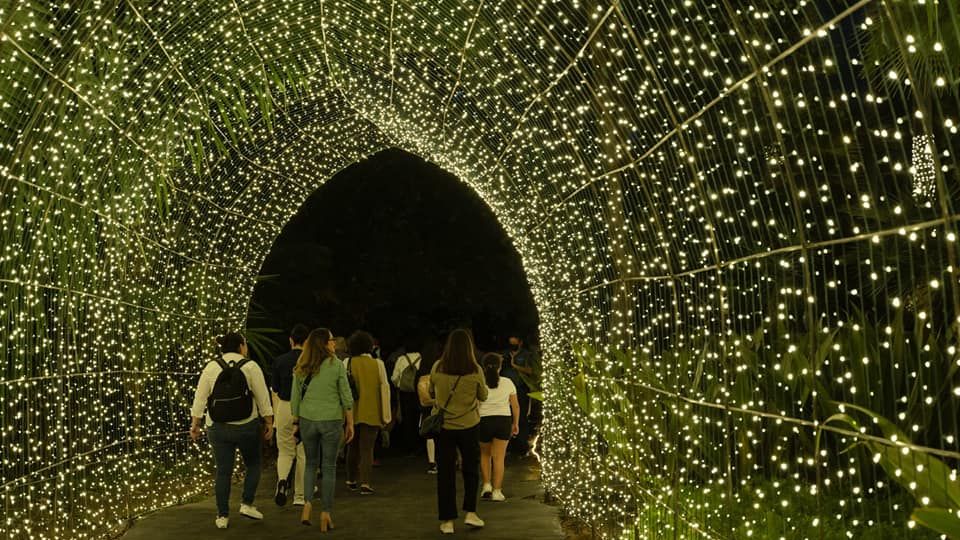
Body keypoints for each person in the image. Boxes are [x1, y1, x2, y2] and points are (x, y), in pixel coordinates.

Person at [190, 332, 274, 530]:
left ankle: (222, 516)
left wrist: (196, 424)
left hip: (217, 427)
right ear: (241, 346)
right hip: (247, 426)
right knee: (253, 463)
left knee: (223, 471)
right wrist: (269, 421)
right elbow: (263, 397)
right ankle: (247, 504)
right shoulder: (251, 366)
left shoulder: (211, 367)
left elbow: (200, 398)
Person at [291, 328, 355, 532]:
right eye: (331, 340)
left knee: (311, 464)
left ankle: (307, 504)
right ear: (324, 344)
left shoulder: (302, 365)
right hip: (331, 420)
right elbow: (346, 395)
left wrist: (296, 422)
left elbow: (295, 398)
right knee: (329, 468)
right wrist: (350, 422)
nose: (334, 343)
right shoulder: (335, 364)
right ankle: (326, 513)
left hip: (307, 420)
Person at [429, 328, 488, 534]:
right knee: (471, 470)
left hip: (444, 427)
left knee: (445, 473)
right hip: (469, 425)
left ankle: (447, 521)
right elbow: (483, 395)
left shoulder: (438, 366)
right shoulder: (475, 370)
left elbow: (430, 392)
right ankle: (471, 513)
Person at [344, 330, 391, 495]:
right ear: (370, 346)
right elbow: (385, 389)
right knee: (367, 449)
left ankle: (351, 480)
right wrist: (386, 416)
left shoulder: (346, 363)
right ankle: (365, 482)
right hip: (372, 411)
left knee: (352, 446)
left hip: (351, 411)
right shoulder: (378, 364)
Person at [270, 323, 310, 507]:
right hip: (306, 409)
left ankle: (282, 481)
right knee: (303, 453)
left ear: (291, 341)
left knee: (285, 451)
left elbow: (275, 389)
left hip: (284, 408)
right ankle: (299, 496)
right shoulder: (311, 361)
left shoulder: (279, 361)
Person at [477, 353, 519, 502]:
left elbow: (475, 404)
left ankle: (486, 486)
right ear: (500, 367)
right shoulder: (508, 382)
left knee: (485, 455)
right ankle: (497, 491)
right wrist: (516, 423)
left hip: (483, 420)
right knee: (499, 458)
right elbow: (515, 405)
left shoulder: (480, 382)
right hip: (503, 421)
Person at [504, 334, 541, 455]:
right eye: (510, 343)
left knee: (522, 416)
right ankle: (509, 445)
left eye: (514, 343)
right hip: (506, 391)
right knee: (507, 417)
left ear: (520, 342)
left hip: (521, 389)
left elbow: (531, 371)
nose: (512, 346)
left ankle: (521, 446)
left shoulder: (526, 355)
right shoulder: (505, 355)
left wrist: (515, 365)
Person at [390, 336, 422, 453]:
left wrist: (399, 385)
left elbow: (394, 378)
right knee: (419, 418)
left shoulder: (401, 359)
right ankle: (420, 444)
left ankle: (409, 446)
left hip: (405, 393)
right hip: (419, 392)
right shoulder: (421, 358)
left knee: (407, 419)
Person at [417, 336, 443, 473]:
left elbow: (423, 399)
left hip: (427, 409)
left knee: (430, 434)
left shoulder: (422, 375)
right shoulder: (441, 369)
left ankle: (432, 462)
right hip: (443, 407)